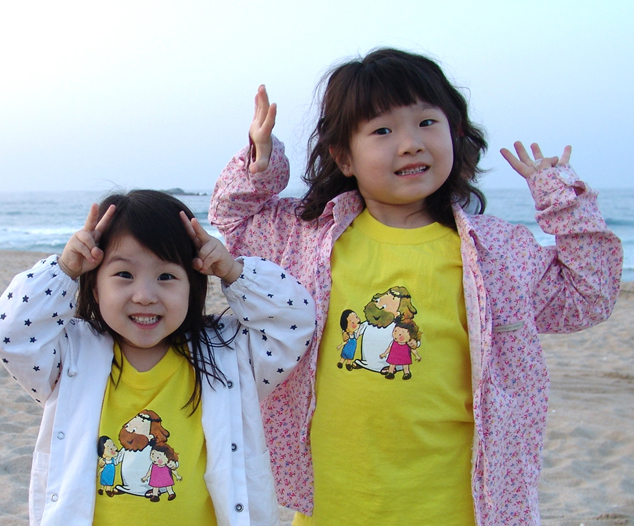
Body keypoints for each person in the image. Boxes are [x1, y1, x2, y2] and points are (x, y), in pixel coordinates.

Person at [209, 48, 623, 525]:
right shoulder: (306, 237)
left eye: (427, 123)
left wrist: (562, 200)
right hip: (336, 503)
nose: (410, 144)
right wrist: (261, 164)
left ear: (456, 134)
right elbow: (234, 223)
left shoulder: (497, 252)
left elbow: (588, 295)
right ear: (343, 156)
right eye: (382, 131)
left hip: (454, 505)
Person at [0, 190, 315, 526]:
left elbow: (294, 323)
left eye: (166, 276)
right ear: (96, 288)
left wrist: (233, 271)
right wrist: (64, 270)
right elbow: (8, 334)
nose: (144, 296)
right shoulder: (72, 352)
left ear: (193, 287)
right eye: (124, 275)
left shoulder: (226, 352)